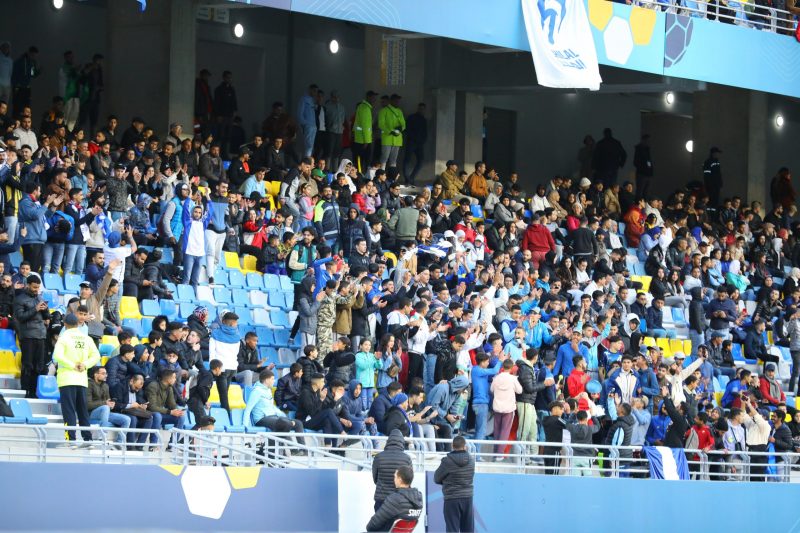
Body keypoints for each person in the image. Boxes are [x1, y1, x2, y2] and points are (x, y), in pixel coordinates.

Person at [53, 313, 100, 446]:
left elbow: (57, 356)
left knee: (69, 410)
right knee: (82, 410)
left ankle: (71, 440)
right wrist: (85, 365)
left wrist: (72, 365)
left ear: (65, 324)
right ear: (77, 324)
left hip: (67, 379)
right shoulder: (86, 338)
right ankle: (87, 439)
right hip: (81, 379)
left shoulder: (63, 337)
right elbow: (96, 356)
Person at [14, 273, 49, 398]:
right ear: (27, 285)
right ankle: (25, 391)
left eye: (38, 287)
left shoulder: (40, 297)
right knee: (27, 365)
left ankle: (34, 392)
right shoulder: (19, 299)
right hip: (27, 335)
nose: (36, 290)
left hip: (41, 335)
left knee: (38, 366)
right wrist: (35, 309)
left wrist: (45, 309)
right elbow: (20, 317)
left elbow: (47, 317)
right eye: (34, 287)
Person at [243, 369, 305, 436]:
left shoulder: (268, 390)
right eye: (272, 379)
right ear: (267, 380)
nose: (274, 381)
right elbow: (248, 409)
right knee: (285, 424)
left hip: (274, 418)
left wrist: (285, 417)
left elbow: (272, 407)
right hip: (262, 419)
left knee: (298, 423)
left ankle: (297, 444)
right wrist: (245, 427)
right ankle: (284, 442)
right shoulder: (256, 391)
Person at [433, 435, 475, 533]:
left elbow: (436, 478)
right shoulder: (471, 460)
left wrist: (446, 482)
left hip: (451, 498)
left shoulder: (447, 461)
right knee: (468, 530)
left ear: (452, 446)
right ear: (465, 447)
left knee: (452, 530)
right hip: (467, 498)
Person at [366, 466, 424, 532]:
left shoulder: (395, 499)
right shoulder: (419, 498)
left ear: (400, 479)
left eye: (395, 477)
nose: (394, 479)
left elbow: (372, 525)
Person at [86, 366, 132, 445]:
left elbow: (107, 401)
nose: (106, 375)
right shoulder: (89, 385)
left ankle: (119, 443)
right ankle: (102, 437)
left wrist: (111, 404)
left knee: (126, 419)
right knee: (105, 408)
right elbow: (88, 405)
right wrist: (105, 403)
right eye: (103, 373)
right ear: (95, 375)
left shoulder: (105, 385)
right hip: (91, 413)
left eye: (106, 373)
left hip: (105, 412)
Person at [372, 429, 413, 511]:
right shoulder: (407, 458)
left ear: (388, 441)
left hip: (381, 499)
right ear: (402, 441)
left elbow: (375, 478)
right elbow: (408, 479)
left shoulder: (378, 457)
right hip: (400, 499)